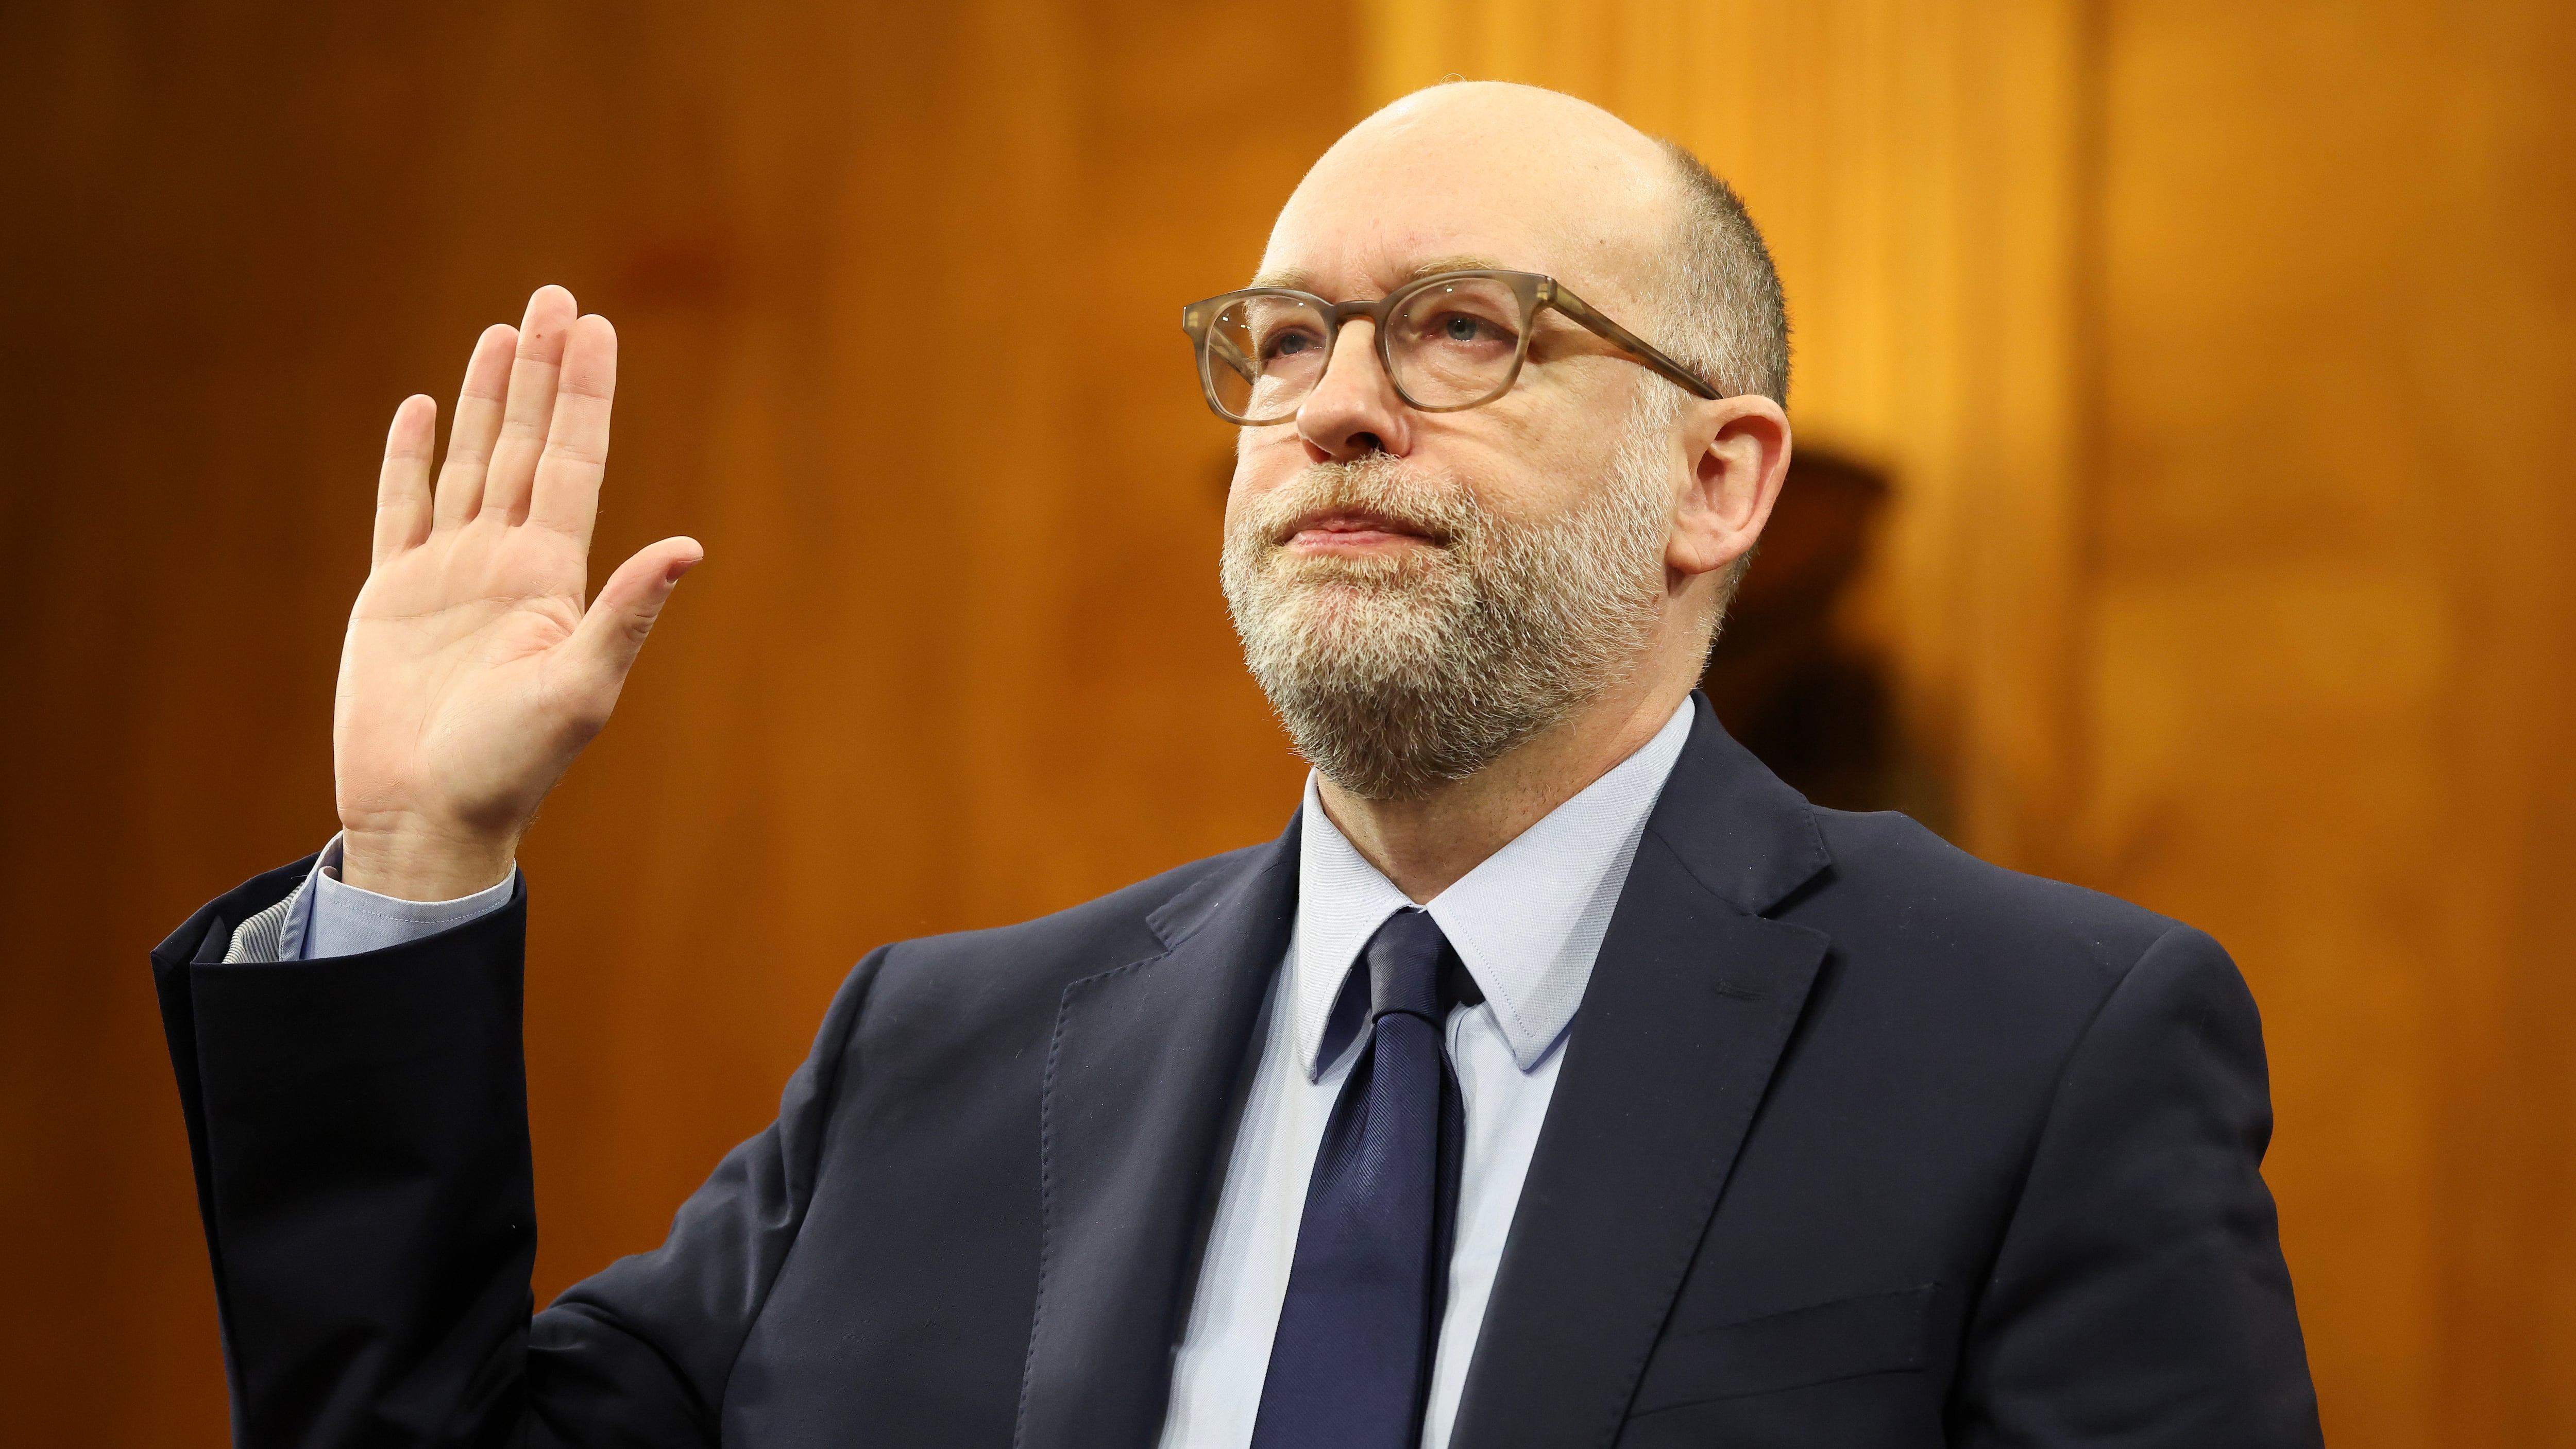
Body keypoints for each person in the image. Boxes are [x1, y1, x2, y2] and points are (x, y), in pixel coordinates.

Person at [152, 82, 2320, 1448]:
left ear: (1720, 479)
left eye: (1462, 327)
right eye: (1281, 340)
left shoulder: (2036, 1049)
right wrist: (421, 850)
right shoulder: (937, 1059)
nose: (1332, 406)